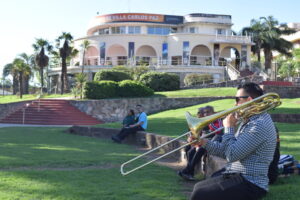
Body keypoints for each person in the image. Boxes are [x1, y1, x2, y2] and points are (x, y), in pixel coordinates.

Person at [190, 82, 277, 200]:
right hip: (236, 175)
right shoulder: (249, 121)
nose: (234, 103)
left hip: (251, 183)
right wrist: (204, 143)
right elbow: (228, 150)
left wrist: (229, 128)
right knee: (198, 187)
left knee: (200, 193)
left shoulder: (259, 124)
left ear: (249, 100)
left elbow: (232, 155)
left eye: (237, 99)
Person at [178, 106, 223, 181]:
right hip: (206, 141)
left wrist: (210, 122)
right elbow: (202, 134)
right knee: (191, 152)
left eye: (208, 112)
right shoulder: (205, 121)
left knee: (200, 150)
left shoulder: (218, 119)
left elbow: (218, 131)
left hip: (215, 142)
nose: (206, 114)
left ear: (214, 113)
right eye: (205, 112)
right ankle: (190, 172)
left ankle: (188, 171)